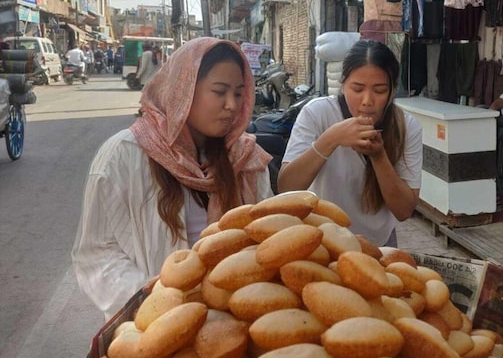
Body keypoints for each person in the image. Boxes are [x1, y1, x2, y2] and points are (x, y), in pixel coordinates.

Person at [72, 38, 273, 319]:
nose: (232, 105)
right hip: (155, 323)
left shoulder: (247, 158)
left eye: (239, 94)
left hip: (237, 318)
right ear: (184, 90)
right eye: (220, 92)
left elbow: (267, 238)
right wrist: (158, 301)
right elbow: (96, 254)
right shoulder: (124, 155)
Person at [278, 39, 422, 247]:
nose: (367, 101)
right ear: (343, 85)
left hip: (378, 245)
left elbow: (403, 210)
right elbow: (287, 188)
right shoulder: (317, 113)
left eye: (379, 90)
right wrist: (331, 139)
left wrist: (378, 156)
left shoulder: (406, 126)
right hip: (322, 241)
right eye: (357, 89)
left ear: (392, 92)